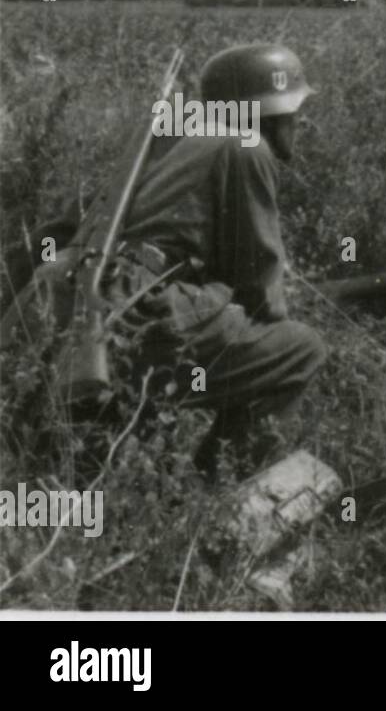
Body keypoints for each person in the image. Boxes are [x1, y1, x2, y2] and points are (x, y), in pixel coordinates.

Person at [3, 44, 327, 479]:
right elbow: (261, 293)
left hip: (50, 299)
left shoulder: (164, 138)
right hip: (126, 304)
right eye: (293, 110)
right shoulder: (248, 146)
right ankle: (215, 492)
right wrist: (239, 307)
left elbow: (62, 229)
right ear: (269, 114)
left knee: (56, 459)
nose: (299, 121)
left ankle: (86, 479)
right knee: (300, 350)